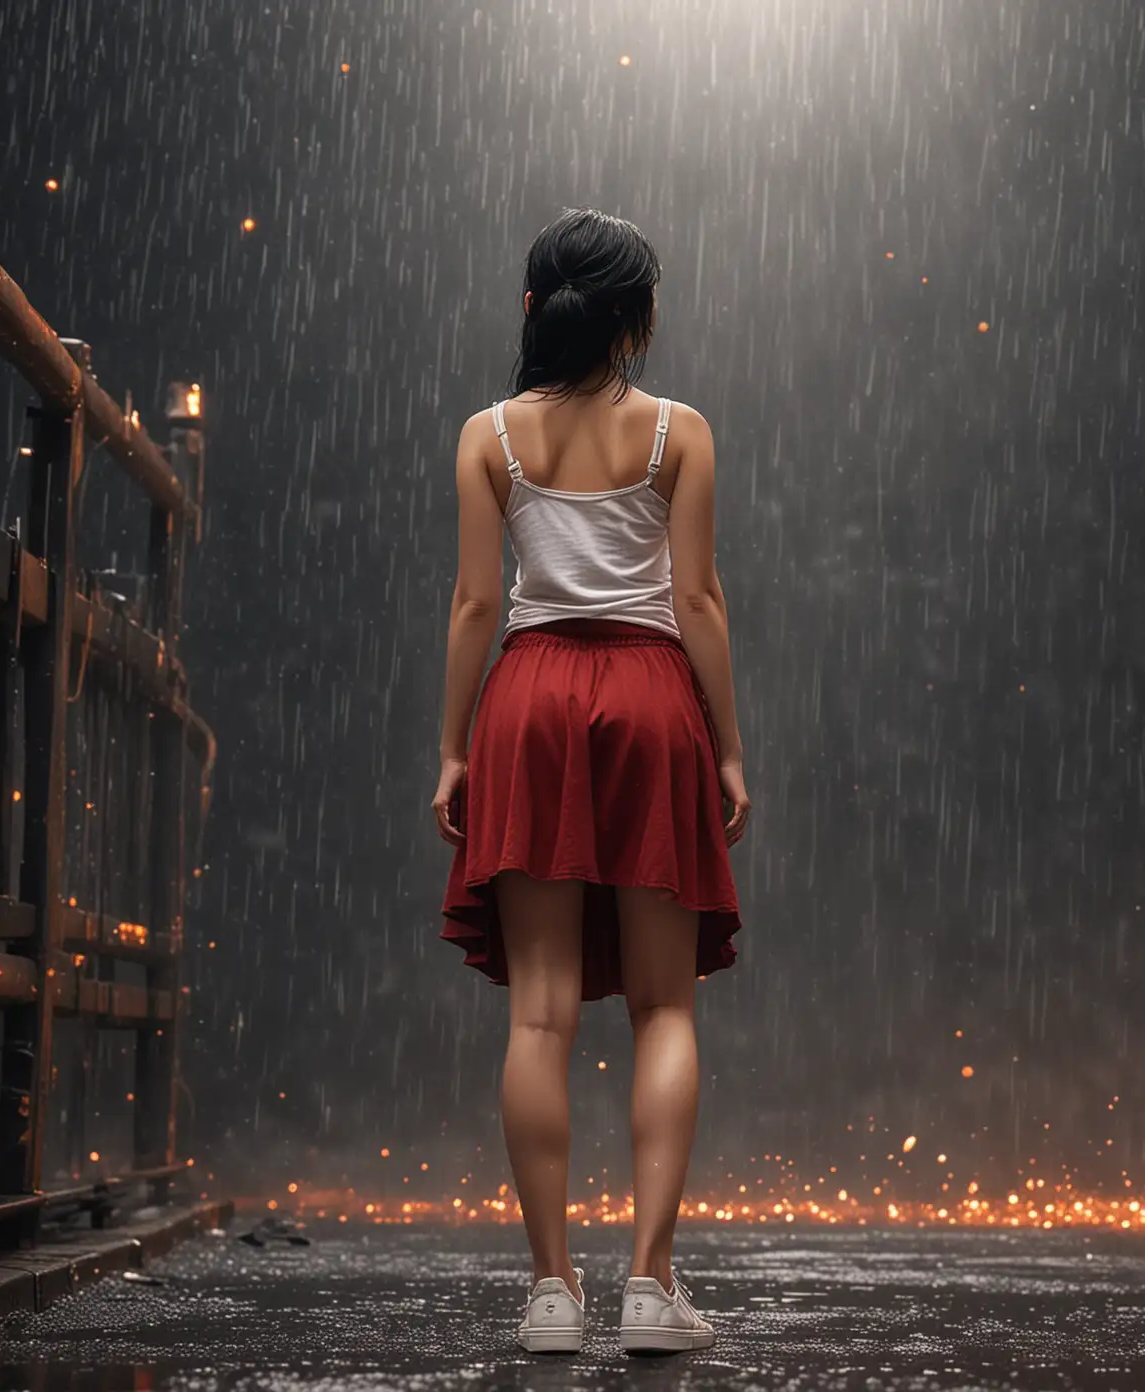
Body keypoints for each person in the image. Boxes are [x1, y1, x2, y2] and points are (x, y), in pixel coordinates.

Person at [432, 208, 749, 1357]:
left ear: (534, 308)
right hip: (654, 695)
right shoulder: (681, 432)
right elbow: (699, 601)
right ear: (637, 320)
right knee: (667, 1008)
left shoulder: (489, 437)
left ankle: (552, 1294)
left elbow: (477, 604)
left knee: (541, 1013)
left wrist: (456, 747)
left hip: (528, 700)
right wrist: (725, 747)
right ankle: (652, 1289)